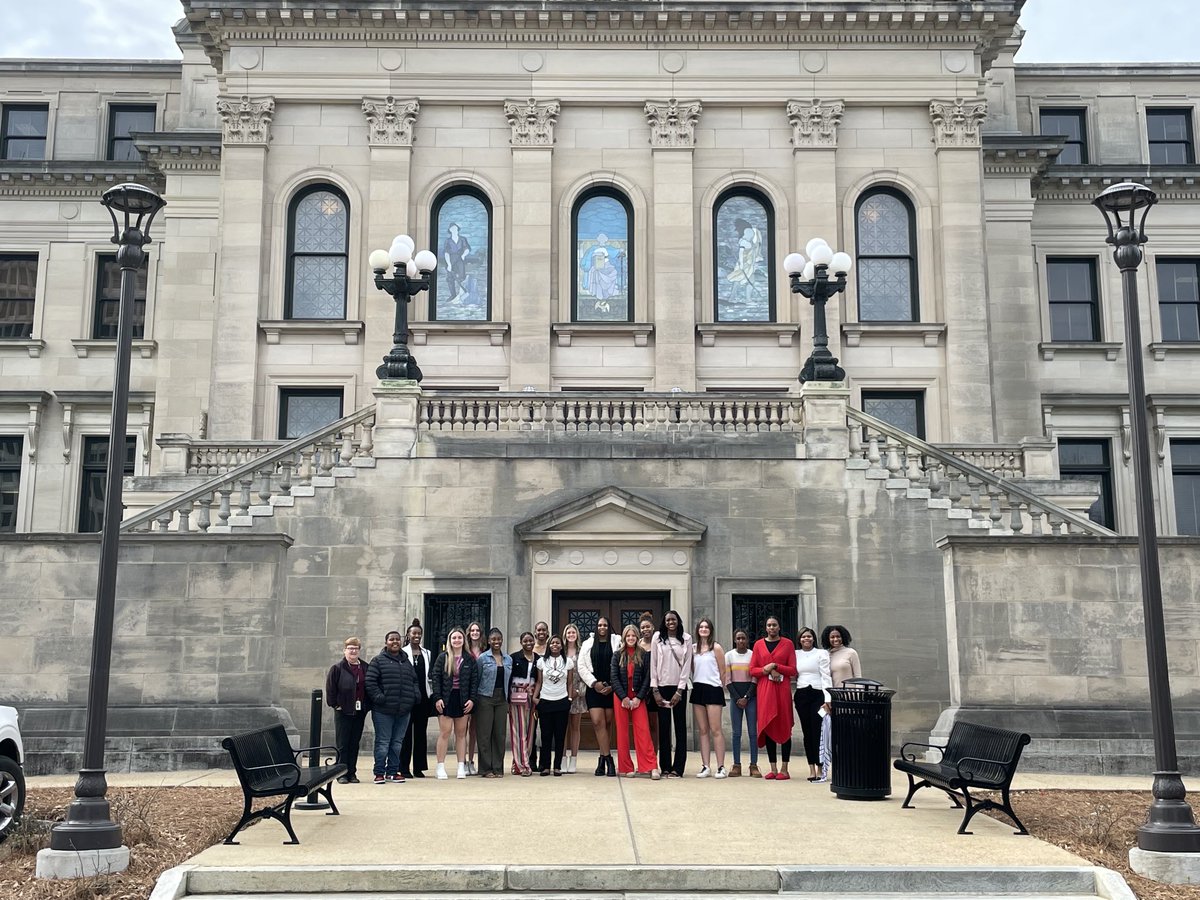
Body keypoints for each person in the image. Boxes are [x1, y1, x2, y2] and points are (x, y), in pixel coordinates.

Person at [365, 630, 418, 784]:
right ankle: (379, 773)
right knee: (383, 742)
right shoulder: (378, 661)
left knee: (397, 743)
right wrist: (379, 698)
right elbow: (370, 682)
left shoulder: (406, 661)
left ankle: (393, 772)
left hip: (403, 710)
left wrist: (415, 696)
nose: (395, 642)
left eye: (397, 639)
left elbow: (414, 681)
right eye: (391, 639)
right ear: (386, 642)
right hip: (383, 711)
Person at [750, 616, 797, 780]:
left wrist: (776, 666)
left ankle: (784, 769)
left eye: (774, 625)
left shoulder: (788, 644)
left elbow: (793, 670)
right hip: (765, 691)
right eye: (769, 625)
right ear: (766, 628)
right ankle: (773, 768)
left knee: (785, 726)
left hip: (782, 690)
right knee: (768, 726)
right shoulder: (758, 645)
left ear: (779, 627)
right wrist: (767, 669)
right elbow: (752, 670)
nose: (771, 628)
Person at [431, 626, 479, 779]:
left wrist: (472, 699)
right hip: (446, 698)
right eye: (454, 638)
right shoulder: (442, 657)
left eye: (459, 637)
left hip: (463, 699)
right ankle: (440, 766)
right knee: (445, 732)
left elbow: (474, 681)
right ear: (450, 640)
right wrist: (437, 697)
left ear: (464, 640)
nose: (457, 640)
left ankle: (460, 766)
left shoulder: (469, 659)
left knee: (461, 734)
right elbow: (436, 678)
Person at [650, 609, 692, 778]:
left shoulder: (686, 639)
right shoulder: (657, 638)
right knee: (664, 727)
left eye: (673, 619)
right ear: (664, 622)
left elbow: (687, 666)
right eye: (667, 620)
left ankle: (678, 768)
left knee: (680, 728)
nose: (670, 622)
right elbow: (653, 664)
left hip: (679, 688)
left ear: (678, 621)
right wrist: (655, 689)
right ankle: (665, 766)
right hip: (662, 687)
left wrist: (680, 690)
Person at [611, 624, 657, 778]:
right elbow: (614, 677)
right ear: (624, 638)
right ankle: (626, 767)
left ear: (637, 637)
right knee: (622, 732)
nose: (631, 638)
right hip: (621, 697)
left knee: (643, 731)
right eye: (628, 636)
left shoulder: (643, 654)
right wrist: (623, 697)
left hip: (638, 696)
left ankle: (651, 766)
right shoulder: (617, 655)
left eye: (633, 636)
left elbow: (647, 678)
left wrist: (639, 697)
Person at [325, 636, 370, 784]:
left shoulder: (365, 667)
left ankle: (352, 773)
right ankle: (341, 773)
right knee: (343, 744)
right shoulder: (337, 668)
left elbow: (370, 687)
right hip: (343, 711)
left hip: (359, 711)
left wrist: (367, 706)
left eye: (356, 648)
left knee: (354, 743)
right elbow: (331, 689)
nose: (353, 651)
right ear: (344, 650)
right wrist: (335, 705)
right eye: (350, 648)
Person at [579, 617, 620, 776]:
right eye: (599, 625)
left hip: (611, 688)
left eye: (605, 625)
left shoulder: (617, 642)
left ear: (609, 627)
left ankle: (602, 760)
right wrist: (594, 683)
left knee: (607, 723)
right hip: (594, 688)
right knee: (597, 722)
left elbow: (621, 664)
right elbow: (581, 666)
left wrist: (612, 685)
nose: (602, 627)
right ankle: (609, 759)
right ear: (596, 627)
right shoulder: (587, 644)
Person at [794, 626, 832, 782]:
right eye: (803, 637)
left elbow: (826, 676)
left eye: (809, 636)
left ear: (813, 638)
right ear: (799, 639)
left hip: (818, 695)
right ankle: (811, 768)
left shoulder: (821, 653)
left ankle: (820, 767)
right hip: (802, 695)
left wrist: (828, 699)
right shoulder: (795, 654)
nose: (806, 639)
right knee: (807, 732)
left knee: (818, 731)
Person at [690, 617, 728, 778]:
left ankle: (721, 766)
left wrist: (720, 687)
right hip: (698, 688)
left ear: (711, 630)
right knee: (703, 730)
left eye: (706, 627)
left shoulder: (716, 648)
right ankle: (706, 766)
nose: (704, 629)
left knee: (715, 729)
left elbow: (723, 671)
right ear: (698, 630)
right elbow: (692, 669)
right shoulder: (693, 648)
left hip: (713, 689)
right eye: (701, 627)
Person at [533, 634, 575, 775]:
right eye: (552, 643)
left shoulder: (568, 662)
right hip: (545, 700)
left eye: (557, 643)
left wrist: (569, 698)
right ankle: (546, 766)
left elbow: (570, 682)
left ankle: (557, 766)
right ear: (548, 645)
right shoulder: (541, 662)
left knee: (560, 735)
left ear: (561, 646)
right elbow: (539, 681)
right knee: (546, 735)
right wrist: (535, 697)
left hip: (562, 701)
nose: (555, 645)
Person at [473, 627, 512, 778]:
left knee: (499, 734)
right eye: (493, 639)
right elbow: (477, 679)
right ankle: (486, 768)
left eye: (499, 639)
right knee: (484, 734)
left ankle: (498, 768)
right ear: (489, 641)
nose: (497, 641)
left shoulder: (508, 659)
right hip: (485, 697)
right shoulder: (482, 658)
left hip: (502, 698)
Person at [400, 619, 432, 779]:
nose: (417, 636)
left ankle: (419, 767)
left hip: (423, 698)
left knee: (420, 733)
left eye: (419, 633)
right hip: (407, 698)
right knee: (405, 734)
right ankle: (403, 767)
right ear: (408, 635)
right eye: (414, 633)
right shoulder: (402, 652)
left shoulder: (427, 653)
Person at [725, 628, 759, 777]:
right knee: (736, 733)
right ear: (734, 640)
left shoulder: (753, 655)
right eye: (738, 638)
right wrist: (737, 698)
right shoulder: (729, 656)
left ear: (747, 640)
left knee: (753, 732)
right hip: (735, 698)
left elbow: (755, 678)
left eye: (743, 638)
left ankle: (753, 765)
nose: (741, 641)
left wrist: (746, 697)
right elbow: (727, 679)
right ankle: (736, 765)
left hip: (750, 698)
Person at [509, 631, 538, 776]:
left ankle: (517, 763)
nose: (528, 643)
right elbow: (508, 678)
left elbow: (540, 679)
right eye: (525, 641)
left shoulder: (538, 659)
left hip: (532, 696)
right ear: (521, 643)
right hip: (517, 696)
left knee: (530, 732)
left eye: (530, 640)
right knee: (518, 730)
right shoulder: (513, 658)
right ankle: (524, 765)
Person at [463, 621, 486, 776]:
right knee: (462, 729)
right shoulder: (465, 650)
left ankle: (471, 761)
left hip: (481, 693)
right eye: (472, 630)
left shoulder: (486, 650)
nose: (475, 633)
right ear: (469, 633)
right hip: (466, 693)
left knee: (474, 730)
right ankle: (463, 761)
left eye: (477, 630)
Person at [562, 622, 586, 774]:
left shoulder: (582, 651)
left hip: (577, 694)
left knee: (575, 727)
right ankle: (563, 758)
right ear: (565, 635)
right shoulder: (560, 651)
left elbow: (586, 671)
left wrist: (579, 691)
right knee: (563, 728)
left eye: (573, 632)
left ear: (577, 635)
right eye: (568, 633)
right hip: (561, 694)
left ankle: (574, 759)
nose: (571, 635)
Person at [529, 620, 551, 772]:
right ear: (535, 632)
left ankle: (544, 761)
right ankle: (531, 759)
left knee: (545, 729)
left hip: (549, 693)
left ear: (547, 632)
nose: (541, 632)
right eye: (539, 630)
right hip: (533, 693)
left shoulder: (552, 649)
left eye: (544, 630)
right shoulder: (530, 649)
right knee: (531, 728)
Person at [440, 222, 472, 304]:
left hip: (460, 259)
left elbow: (467, 249)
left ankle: (462, 293)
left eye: (455, 228)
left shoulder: (463, 239)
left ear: (458, 229)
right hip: (451, 260)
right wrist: (449, 264)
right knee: (450, 278)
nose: (454, 230)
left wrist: (464, 255)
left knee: (461, 277)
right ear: (450, 230)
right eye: (452, 228)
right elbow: (446, 253)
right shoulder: (448, 241)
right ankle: (453, 295)